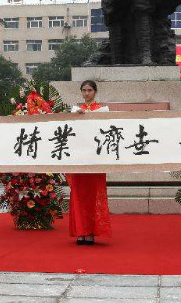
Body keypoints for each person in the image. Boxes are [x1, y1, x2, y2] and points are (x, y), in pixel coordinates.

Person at [67, 80, 112, 245]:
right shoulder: (75, 110)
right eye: (84, 90)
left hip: (95, 157)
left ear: (95, 92)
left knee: (94, 194)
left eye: (90, 90)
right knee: (78, 194)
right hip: (79, 158)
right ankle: (80, 231)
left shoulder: (102, 110)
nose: (87, 93)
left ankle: (91, 232)